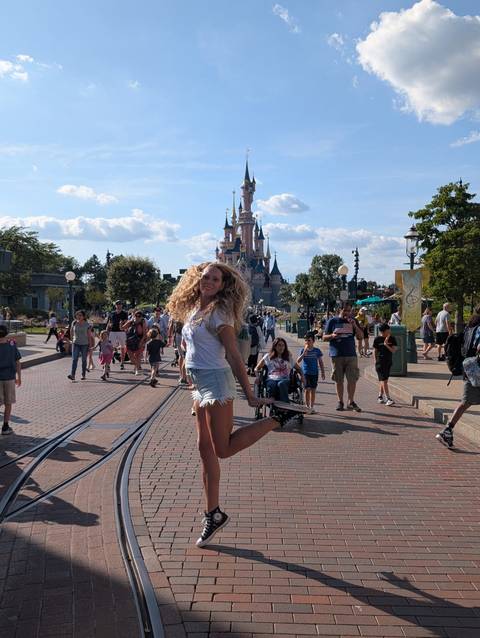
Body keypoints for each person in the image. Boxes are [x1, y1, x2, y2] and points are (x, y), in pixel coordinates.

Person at [167, 261, 297, 548]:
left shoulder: (220, 313)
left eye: (215, 279)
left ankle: (277, 416)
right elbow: (192, 347)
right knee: (205, 451)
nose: (209, 282)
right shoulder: (194, 310)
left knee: (222, 449)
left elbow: (235, 357)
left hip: (216, 381)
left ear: (224, 285)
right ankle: (213, 513)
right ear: (197, 280)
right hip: (199, 383)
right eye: (205, 277)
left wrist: (250, 395)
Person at [436, 306, 480, 448]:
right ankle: (447, 430)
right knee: (465, 402)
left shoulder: (470, 326)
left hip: (469, 368)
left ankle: (447, 430)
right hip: (477, 368)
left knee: (465, 402)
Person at [323, 301, 363, 412]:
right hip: (337, 355)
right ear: (339, 310)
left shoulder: (353, 321)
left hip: (351, 355)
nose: (347, 313)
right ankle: (340, 401)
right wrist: (332, 335)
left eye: (349, 310)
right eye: (345, 310)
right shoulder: (332, 321)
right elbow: (324, 337)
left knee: (352, 380)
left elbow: (360, 337)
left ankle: (351, 401)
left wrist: (354, 325)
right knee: (338, 380)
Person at [255, 337, 305, 403]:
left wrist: (302, 376)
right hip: (271, 378)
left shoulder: (288, 358)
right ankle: (272, 400)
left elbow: (299, 369)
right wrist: (258, 377)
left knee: (281, 384)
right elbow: (256, 368)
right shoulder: (268, 356)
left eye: (283, 345)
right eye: (279, 345)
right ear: (275, 346)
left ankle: (285, 403)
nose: (281, 347)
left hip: (285, 379)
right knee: (271, 384)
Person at [0, 324, 21, 435]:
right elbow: (17, 362)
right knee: (8, 403)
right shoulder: (12, 345)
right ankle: (5, 426)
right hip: (9, 377)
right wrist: (19, 377)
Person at [297, 333, 325, 411]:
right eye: (305, 340)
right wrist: (303, 354)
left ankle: (311, 407)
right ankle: (307, 406)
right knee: (307, 389)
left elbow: (320, 362)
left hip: (314, 373)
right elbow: (298, 361)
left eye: (309, 340)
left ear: (313, 341)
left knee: (313, 390)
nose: (307, 342)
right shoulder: (303, 350)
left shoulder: (317, 351)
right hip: (305, 373)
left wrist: (323, 372)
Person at [373, 323, 397, 406]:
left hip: (388, 362)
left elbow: (394, 350)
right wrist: (375, 361)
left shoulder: (392, 338)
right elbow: (375, 351)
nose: (389, 331)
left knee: (384, 380)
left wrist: (386, 344)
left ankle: (380, 396)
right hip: (380, 362)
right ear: (383, 331)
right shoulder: (377, 339)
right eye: (388, 330)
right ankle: (388, 398)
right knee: (384, 380)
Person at [67, 310, 92, 381]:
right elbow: (71, 331)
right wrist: (72, 340)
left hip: (85, 344)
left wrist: (90, 346)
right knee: (74, 359)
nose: (78, 316)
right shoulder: (74, 323)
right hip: (76, 344)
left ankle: (83, 374)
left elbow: (89, 336)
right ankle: (73, 375)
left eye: (80, 315)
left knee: (84, 360)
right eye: (77, 315)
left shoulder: (87, 324)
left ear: (83, 316)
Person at [123, 310, 148, 375]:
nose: (137, 317)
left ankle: (137, 369)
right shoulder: (131, 322)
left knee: (138, 356)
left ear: (141, 317)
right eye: (136, 315)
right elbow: (122, 328)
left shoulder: (143, 322)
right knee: (130, 357)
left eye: (139, 316)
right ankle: (137, 366)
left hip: (139, 340)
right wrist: (121, 323)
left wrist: (141, 342)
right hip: (130, 341)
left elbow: (145, 334)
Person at [106, 301, 128, 370]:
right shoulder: (112, 313)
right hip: (113, 331)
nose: (118, 305)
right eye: (117, 304)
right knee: (110, 348)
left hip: (121, 332)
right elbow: (109, 322)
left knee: (122, 348)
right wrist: (107, 329)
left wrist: (123, 325)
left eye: (119, 304)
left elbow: (126, 322)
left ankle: (122, 363)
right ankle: (108, 363)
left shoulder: (124, 313)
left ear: (121, 305)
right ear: (115, 305)